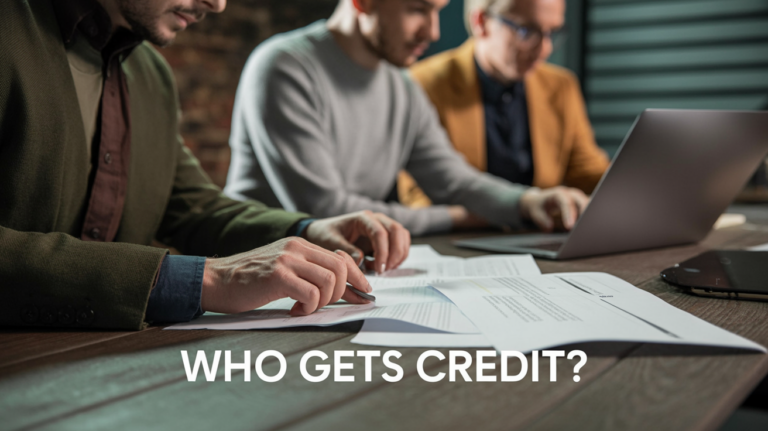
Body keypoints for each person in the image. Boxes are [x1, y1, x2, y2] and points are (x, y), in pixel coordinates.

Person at [0, 0, 411, 330]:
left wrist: (308, 230)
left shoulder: (149, 74)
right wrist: (207, 280)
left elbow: (194, 206)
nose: (217, 4)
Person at [225, 0, 589, 238]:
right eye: (418, 9)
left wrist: (528, 202)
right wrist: (458, 218)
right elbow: (326, 211)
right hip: (253, 279)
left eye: (437, 12)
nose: (432, 33)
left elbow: (453, 179)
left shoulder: (402, 86)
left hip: (338, 271)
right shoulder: (284, 66)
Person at [400, 0, 609, 208]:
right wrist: (519, 212)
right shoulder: (424, 84)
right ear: (481, 23)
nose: (545, 49)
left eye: (552, 32)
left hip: (539, 235)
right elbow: (419, 195)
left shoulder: (560, 87)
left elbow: (587, 174)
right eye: (526, 31)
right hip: (461, 235)